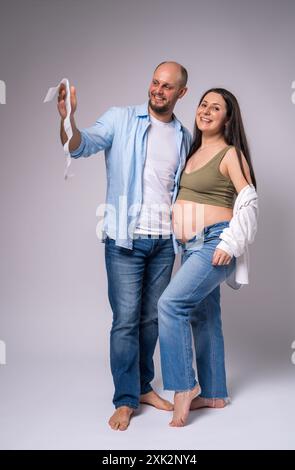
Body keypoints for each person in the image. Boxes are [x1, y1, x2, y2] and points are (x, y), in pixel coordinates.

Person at [57, 62, 191, 431]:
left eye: (167, 87)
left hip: (164, 244)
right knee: (126, 322)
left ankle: (144, 386)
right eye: (154, 82)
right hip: (125, 241)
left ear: (181, 93)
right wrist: (68, 119)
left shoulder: (183, 135)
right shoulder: (120, 119)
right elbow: (80, 145)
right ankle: (126, 399)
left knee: (152, 320)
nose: (158, 90)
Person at [158, 88, 258, 427]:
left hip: (214, 244)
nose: (207, 111)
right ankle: (214, 393)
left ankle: (184, 386)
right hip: (189, 247)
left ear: (227, 118)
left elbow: (249, 201)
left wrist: (229, 243)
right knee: (206, 317)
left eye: (216, 107)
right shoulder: (193, 151)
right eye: (203, 104)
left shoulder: (231, 154)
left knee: (170, 306)